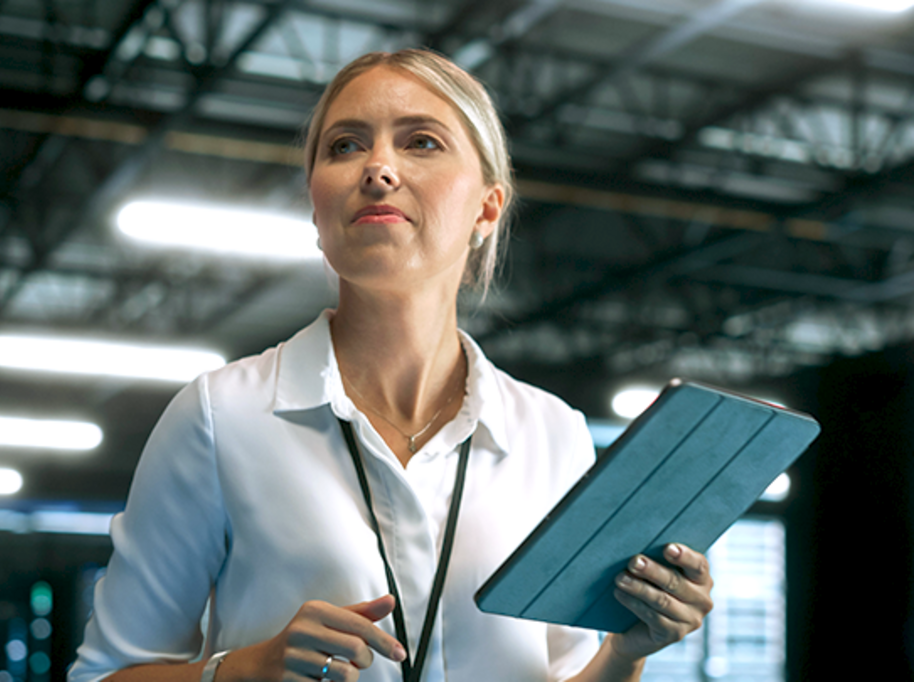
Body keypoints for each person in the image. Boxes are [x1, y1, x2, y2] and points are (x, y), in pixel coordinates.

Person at [68, 49, 713, 682]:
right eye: (344, 146)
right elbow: (103, 675)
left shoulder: (553, 434)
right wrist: (244, 670)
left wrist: (628, 654)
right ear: (317, 210)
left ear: (487, 208)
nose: (376, 168)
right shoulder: (221, 416)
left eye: (422, 142)